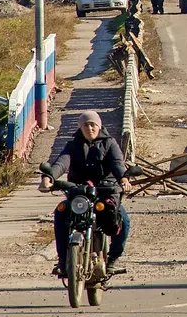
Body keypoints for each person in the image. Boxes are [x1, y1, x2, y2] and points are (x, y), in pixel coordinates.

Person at [39, 110, 132, 276]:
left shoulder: (110, 143)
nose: (90, 128)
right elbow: (61, 163)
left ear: (99, 126)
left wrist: (123, 179)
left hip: (105, 192)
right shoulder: (72, 145)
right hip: (79, 193)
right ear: (80, 128)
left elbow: (118, 163)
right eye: (86, 125)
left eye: (93, 125)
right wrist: (49, 178)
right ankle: (63, 260)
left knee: (123, 219)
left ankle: (112, 259)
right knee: (61, 213)